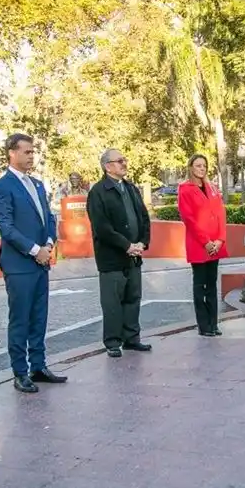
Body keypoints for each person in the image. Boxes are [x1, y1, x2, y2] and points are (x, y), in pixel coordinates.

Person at [0, 133, 67, 393]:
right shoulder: (2, 186)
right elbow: (7, 228)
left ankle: (38, 365)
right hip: (19, 264)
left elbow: (48, 217)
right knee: (20, 319)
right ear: (12, 153)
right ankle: (20, 372)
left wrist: (48, 244)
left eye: (33, 152)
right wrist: (35, 250)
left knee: (39, 317)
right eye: (27, 151)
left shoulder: (38, 184)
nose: (31, 156)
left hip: (41, 262)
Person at [86, 148, 152, 358]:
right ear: (107, 166)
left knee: (133, 297)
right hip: (112, 258)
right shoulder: (98, 192)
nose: (124, 163)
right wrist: (126, 245)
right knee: (112, 301)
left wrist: (142, 242)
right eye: (119, 160)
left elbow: (143, 217)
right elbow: (101, 227)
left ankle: (132, 338)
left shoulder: (131, 188)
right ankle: (113, 342)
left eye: (124, 159)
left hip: (134, 256)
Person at [177, 154, 229, 336]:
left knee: (212, 284)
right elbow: (189, 219)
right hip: (199, 244)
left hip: (215, 244)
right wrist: (206, 242)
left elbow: (221, 213)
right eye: (198, 165)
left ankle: (214, 324)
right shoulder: (185, 189)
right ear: (191, 167)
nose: (202, 169)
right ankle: (204, 325)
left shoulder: (212, 187)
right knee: (200, 285)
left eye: (204, 166)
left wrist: (220, 239)